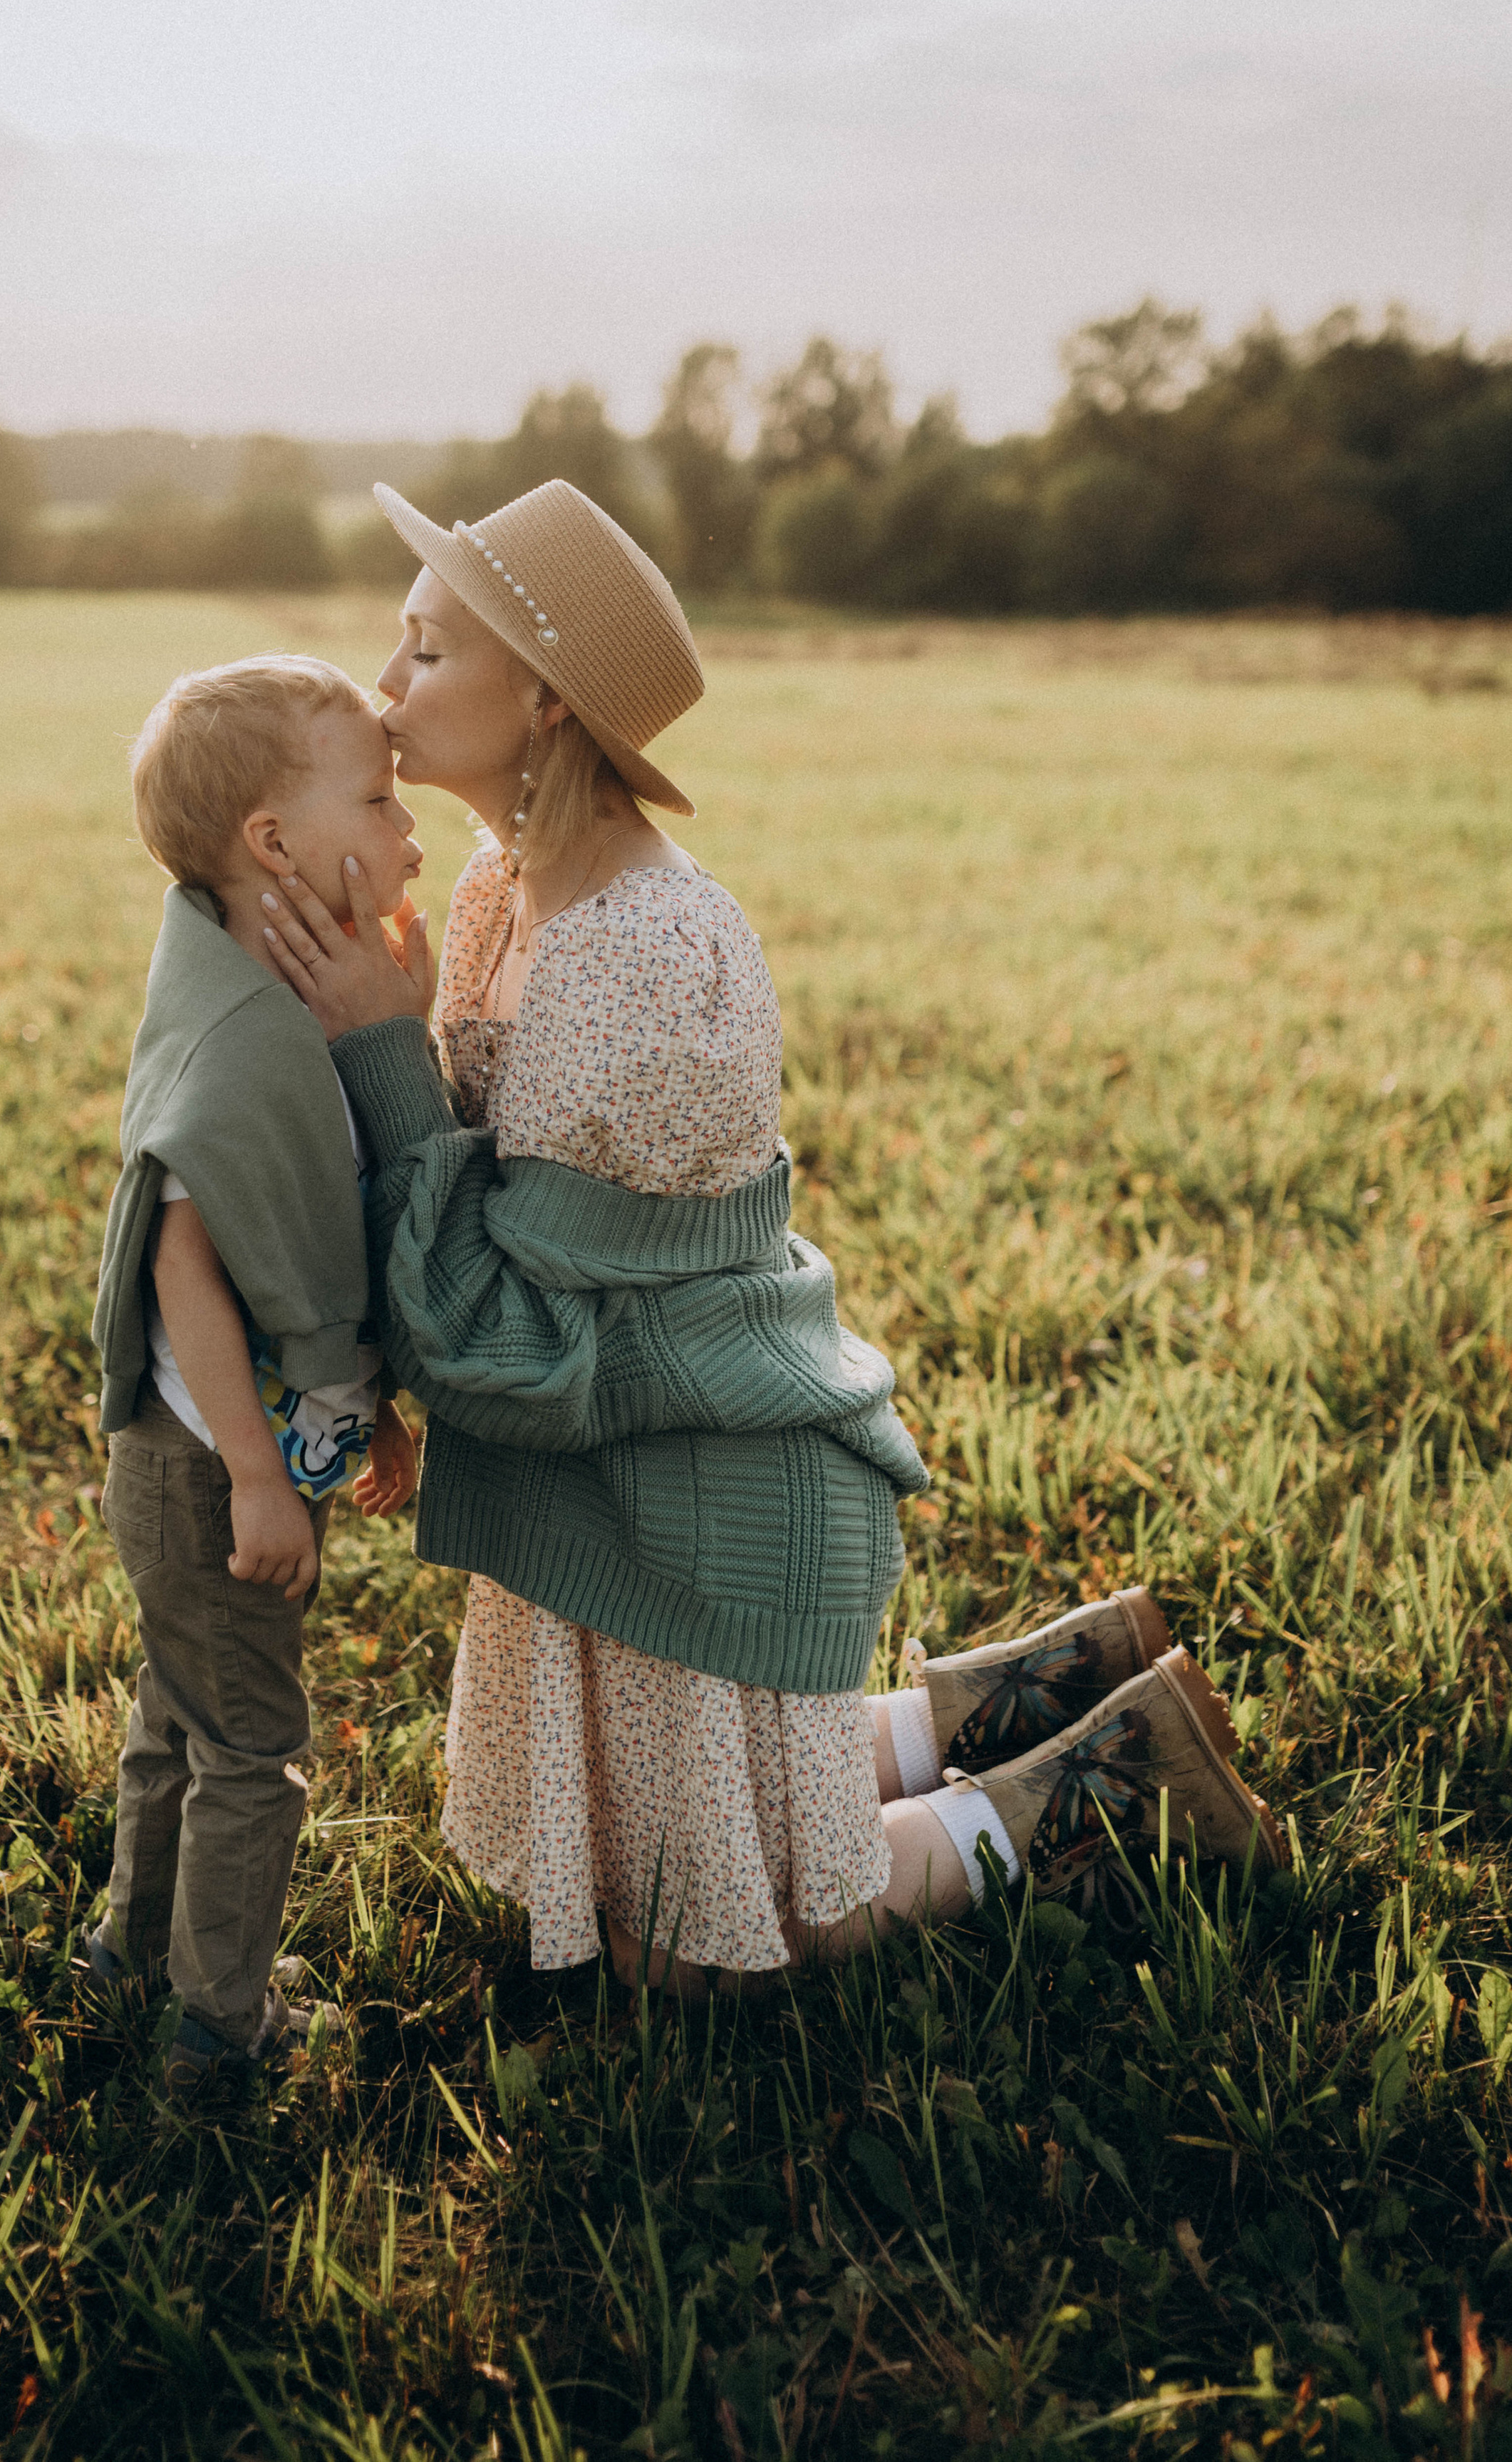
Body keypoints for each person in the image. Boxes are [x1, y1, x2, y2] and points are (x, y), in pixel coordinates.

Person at [261, 485, 1286, 1995]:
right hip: (617, 1453)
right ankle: (1037, 1681)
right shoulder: (496, 887)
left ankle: (1104, 1777)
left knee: (722, 1952)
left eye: (423, 650)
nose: (383, 686)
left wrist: (376, 1054)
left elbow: (516, 1344)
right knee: (651, 1876)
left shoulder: (643, 952)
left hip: (700, 1476)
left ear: (543, 696)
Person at [85, 653, 420, 2086]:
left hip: (214, 1460)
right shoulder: (239, 1044)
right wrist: (258, 1479)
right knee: (249, 1747)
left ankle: (133, 1945)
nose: (412, 833)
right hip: (210, 1464)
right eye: (380, 797)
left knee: (183, 1712)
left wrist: (363, 1411)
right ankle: (223, 2033)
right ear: (272, 845)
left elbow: (310, 1230)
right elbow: (187, 1272)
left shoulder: (268, 1002)